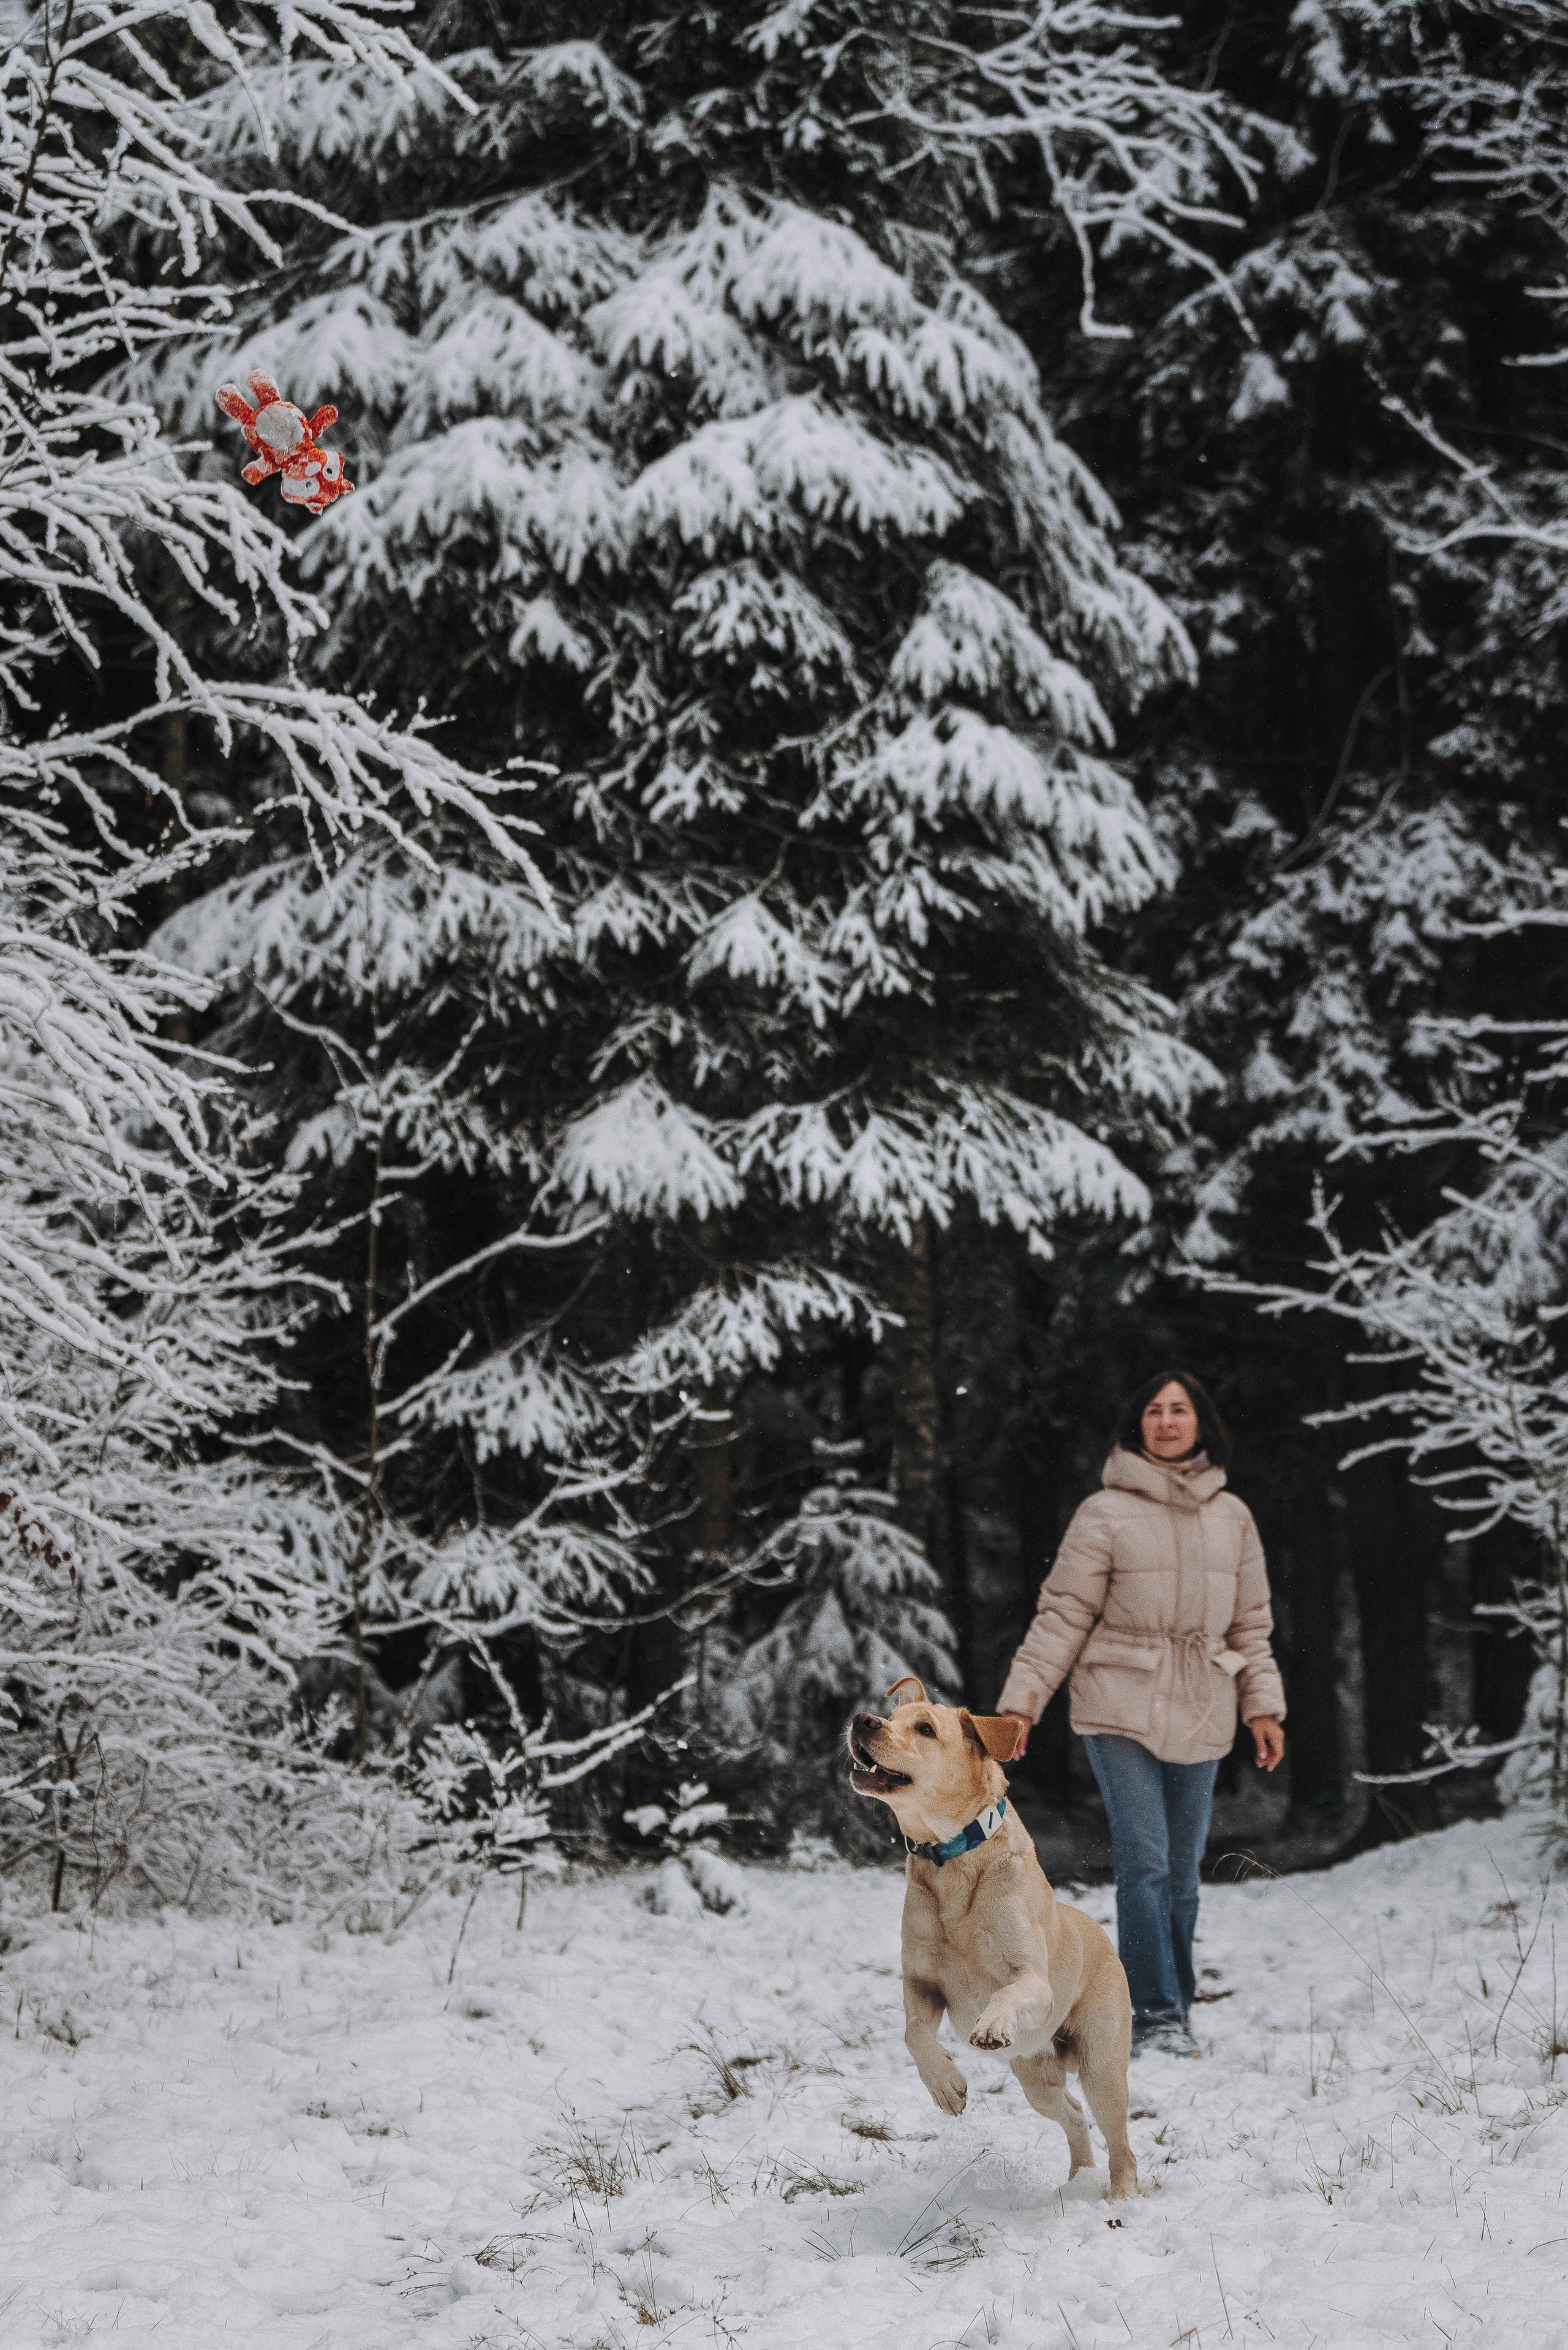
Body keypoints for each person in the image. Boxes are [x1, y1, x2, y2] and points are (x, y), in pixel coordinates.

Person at [997, 1374, 1285, 2059]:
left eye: (1178, 1409)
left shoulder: (1233, 1516)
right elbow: (1063, 1613)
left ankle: (1175, 2007)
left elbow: (1251, 1624)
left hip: (1202, 1705)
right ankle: (1151, 2015)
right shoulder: (1103, 1512)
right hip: (1116, 1703)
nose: (1165, 1420)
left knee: (1183, 1873)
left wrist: (1263, 1707)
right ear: (1136, 1427)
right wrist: (1021, 1701)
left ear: (1200, 1425)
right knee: (1145, 1862)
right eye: (1153, 1411)